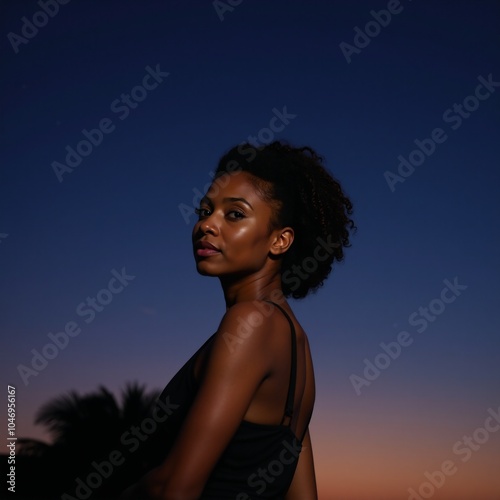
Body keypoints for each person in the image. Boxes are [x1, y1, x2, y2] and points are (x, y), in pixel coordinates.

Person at [121, 140, 355, 499]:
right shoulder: (296, 345)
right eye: (204, 211)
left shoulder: (250, 323)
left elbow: (176, 487)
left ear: (280, 240)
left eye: (234, 214)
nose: (206, 226)